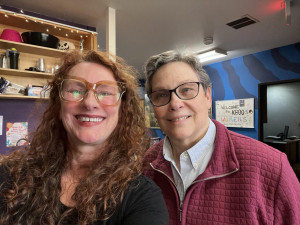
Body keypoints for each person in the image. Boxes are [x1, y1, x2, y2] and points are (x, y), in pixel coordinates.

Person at [0, 50, 169, 225]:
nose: (89, 103)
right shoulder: (11, 176)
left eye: (105, 93)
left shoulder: (142, 198)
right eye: (75, 90)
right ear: (58, 107)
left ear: (122, 111)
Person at [142, 50, 300, 225]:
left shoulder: (272, 167)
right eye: (161, 95)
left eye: (186, 90)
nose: (175, 103)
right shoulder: (144, 166)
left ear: (208, 96)